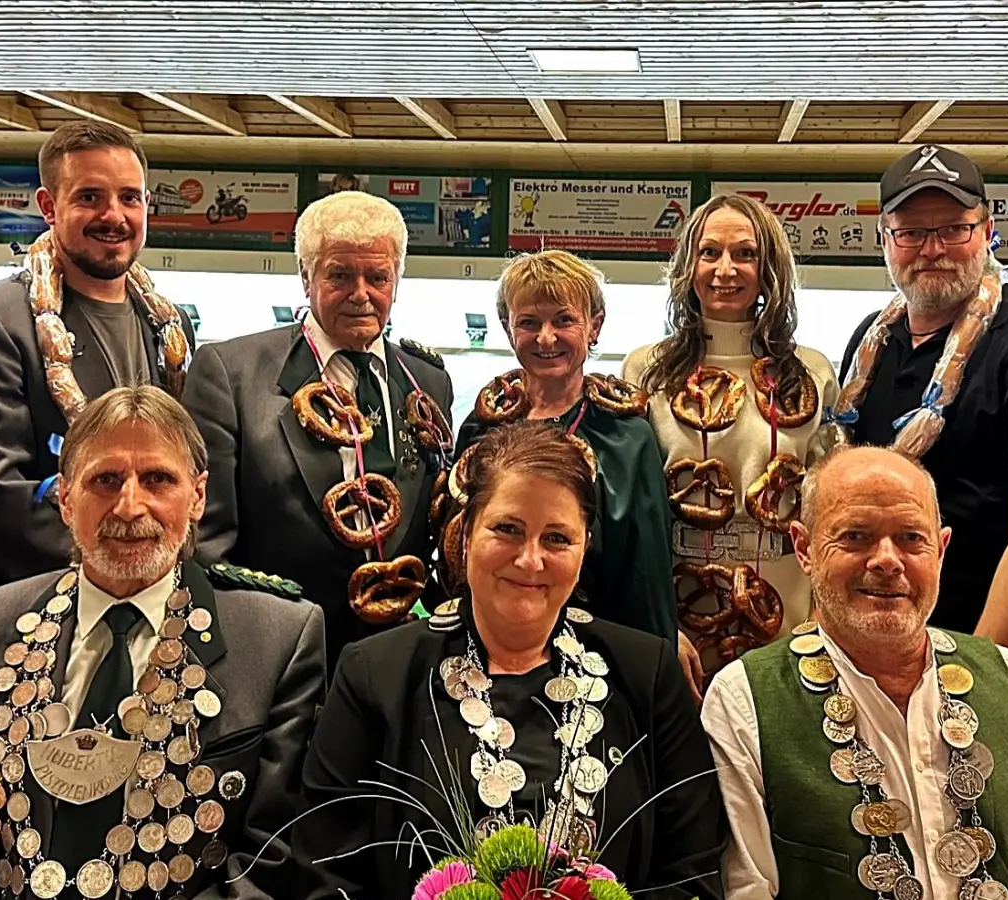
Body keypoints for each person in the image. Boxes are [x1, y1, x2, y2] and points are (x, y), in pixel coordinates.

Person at [0, 385, 326, 899]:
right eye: (105, 480)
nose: (130, 507)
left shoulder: (279, 640)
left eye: (157, 479)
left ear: (197, 496)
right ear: (65, 498)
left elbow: (272, 866)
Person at [295, 421, 726, 900]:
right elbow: (323, 873)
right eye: (508, 529)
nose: (530, 560)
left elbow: (694, 873)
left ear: (584, 549)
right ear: (465, 535)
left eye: (557, 538)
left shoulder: (648, 673)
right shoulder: (374, 675)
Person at [703, 446, 1008, 900]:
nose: (888, 560)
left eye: (912, 539)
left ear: (941, 550)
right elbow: (744, 890)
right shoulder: (743, 702)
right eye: (855, 536)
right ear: (804, 548)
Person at [835, 145, 1008, 692]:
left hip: (986, 661)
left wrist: (972, 678)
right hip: (881, 654)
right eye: (911, 233)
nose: (933, 250)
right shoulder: (871, 342)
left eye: (954, 229)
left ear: (986, 230)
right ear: (885, 239)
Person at [186, 189, 453, 665]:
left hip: (397, 655)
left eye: (378, 277)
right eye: (340, 275)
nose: (361, 294)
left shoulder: (429, 382)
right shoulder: (232, 373)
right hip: (275, 653)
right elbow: (206, 542)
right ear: (305, 277)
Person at [0, 120, 196, 595]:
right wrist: (124, 567)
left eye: (130, 198)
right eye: (90, 197)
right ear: (49, 206)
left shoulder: (169, 326)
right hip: (38, 599)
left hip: (156, 594)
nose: (113, 215)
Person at [623, 194, 840, 696]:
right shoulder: (646, 371)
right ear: (687, 266)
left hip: (789, 604)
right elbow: (635, 515)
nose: (726, 269)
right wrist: (659, 624)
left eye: (745, 254)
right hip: (682, 606)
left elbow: (829, 508)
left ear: (769, 269)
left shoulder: (811, 372)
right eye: (710, 252)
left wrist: (823, 617)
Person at [452, 249, 675, 640]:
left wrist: (652, 666)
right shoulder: (480, 430)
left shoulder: (627, 437)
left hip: (598, 643)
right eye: (529, 322)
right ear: (508, 329)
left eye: (564, 320)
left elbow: (647, 573)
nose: (546, 337)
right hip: (490, 637)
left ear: (594, 327)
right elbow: (460, 549)